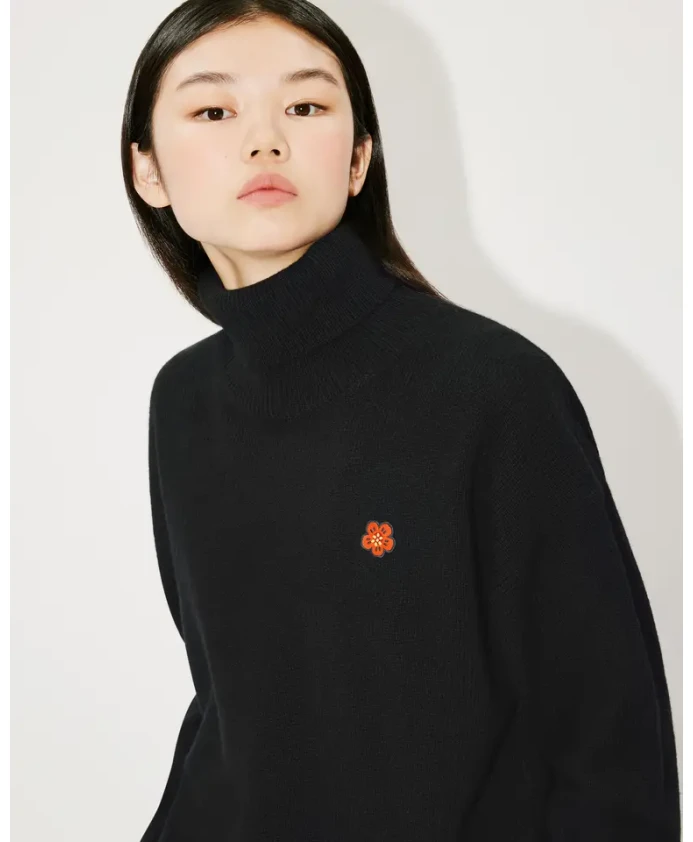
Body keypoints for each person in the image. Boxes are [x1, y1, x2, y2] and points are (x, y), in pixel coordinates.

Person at [122, 1, 681, 839]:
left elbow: (608, 746)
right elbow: (231, 710)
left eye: (304, 106)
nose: (264, 141)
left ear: (357, 160)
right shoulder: (183, 400)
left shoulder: (493, 387)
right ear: (149, 172)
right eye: (212, 111)